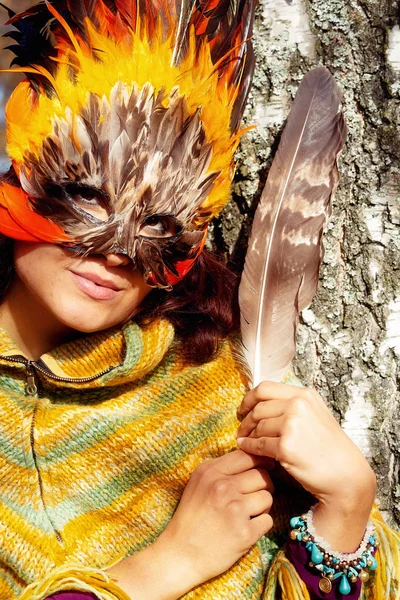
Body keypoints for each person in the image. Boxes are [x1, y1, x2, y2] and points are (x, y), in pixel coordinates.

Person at [0, 2, 398, 600]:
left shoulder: (211, 376)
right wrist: (172, 561)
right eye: (85, 194)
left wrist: (345, 509)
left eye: (161, 223)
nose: (117, 252)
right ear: (16, 174)